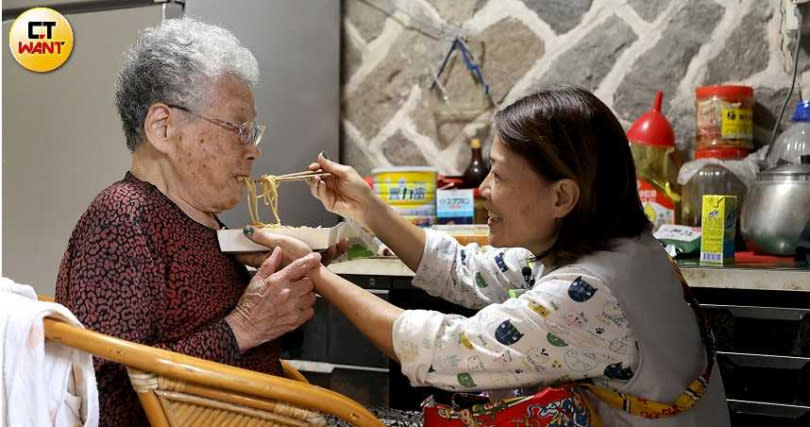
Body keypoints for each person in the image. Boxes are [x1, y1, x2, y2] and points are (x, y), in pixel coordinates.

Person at [248, 87, 731, 425]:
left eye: (499, 176)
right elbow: (463, 271)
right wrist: (366, 207)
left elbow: (440, 348)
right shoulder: (609, 247)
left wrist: (312, 270)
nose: (483, 191)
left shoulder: (588, 294)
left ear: (561, 198)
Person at [54, 18, 339, 425]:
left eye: (253, 131)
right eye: (239, 129)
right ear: (164, 128)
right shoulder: (123, 218)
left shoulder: (208, 222)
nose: (253, 150)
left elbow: (257, 350)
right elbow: (108, 396)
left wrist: (295, 282)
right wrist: (243, 327)